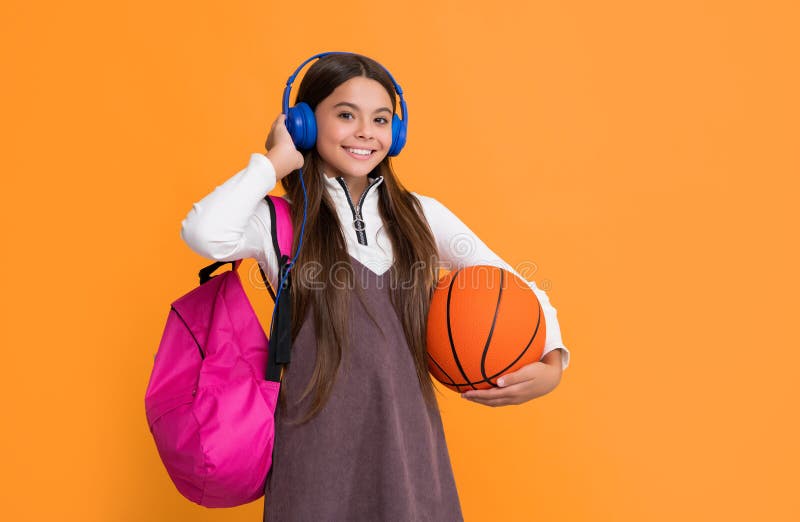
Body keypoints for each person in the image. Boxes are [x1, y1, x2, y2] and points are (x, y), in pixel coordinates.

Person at [180, 52, 570, 521]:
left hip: (410, 454)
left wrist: (553, 363)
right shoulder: (279, 222)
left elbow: (517, 290)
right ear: (302, 122)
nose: (366, 132)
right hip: (315, 456)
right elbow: (204, 233)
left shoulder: (421, 216)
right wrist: (274, 162)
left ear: (396, 134)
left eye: (381, 120)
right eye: (346, 115)